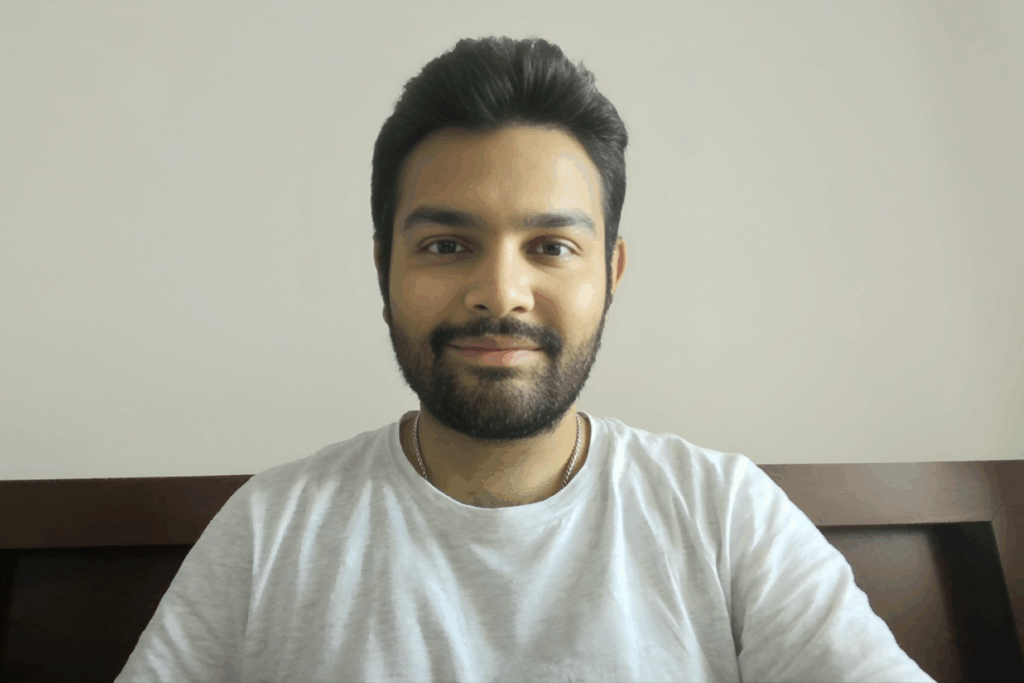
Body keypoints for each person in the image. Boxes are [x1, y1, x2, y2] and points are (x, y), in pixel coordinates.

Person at [116, 36, 935, 682]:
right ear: (383, 268)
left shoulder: (724, 514)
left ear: (610, 272)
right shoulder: (271, 528)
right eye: (446, 244)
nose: (500, 293)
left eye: (550, 246)